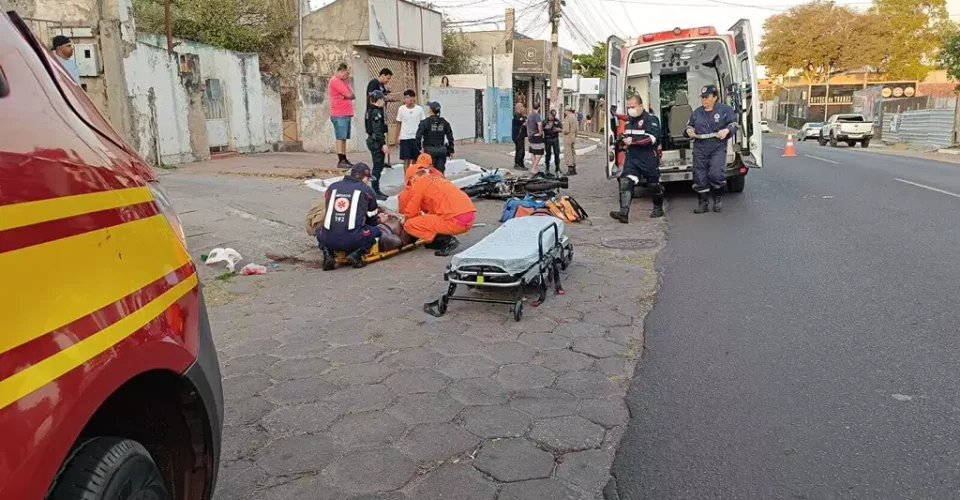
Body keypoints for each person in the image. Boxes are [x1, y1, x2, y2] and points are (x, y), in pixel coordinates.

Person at [317, 163, 382, 270]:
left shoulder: (332, 187)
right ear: (365, 178)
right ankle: (357, 254)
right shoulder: (367, 191)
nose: (369, 182)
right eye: (368, 179)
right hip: (354, 240)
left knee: (320, 229)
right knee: (376, 231)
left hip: (328, 238)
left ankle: (328, 253)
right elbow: (372, 220)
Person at [684, 84, 737, 214]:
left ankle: (717, 198)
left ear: (715, 97)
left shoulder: (725, 110)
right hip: (700, 147)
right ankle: (703, 203)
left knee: (716, 173)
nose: (704, 100)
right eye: (702, 97)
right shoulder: (696, 113)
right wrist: (689, 130)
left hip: (717, 146)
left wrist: (726, 130)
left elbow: (733, 124)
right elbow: (687, 127)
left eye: (706, 97)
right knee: (700, 176)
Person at [400, 166, 476, 257]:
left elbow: (411, 212)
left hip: (455, 221)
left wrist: (404, 222)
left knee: (409, 224)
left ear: (412, 178)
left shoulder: (419, 184)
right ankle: (437, 242)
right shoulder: (438, 179)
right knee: (430, 218)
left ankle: (446, 241)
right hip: (469, 218)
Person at [610, 95, 663, 223]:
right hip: (632, 157)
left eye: (632, 107)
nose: (630, 110)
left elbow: (651, 139)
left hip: (648, 157)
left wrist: (632, 141)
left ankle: (658, 207)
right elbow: (626, 131)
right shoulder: (629, 120)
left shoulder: (651, 119)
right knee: (625, 182)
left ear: (640, 106)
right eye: (628, 107)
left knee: (653, 184)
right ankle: (624, 213)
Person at [328, 63, 356, 169]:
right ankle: (340, 159)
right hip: (339, 113)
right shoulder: (335, 80)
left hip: (346, 113)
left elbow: (353, 95)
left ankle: (344, 157)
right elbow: (349, 95)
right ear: (341, 71)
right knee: (340, 137)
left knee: (344, 137)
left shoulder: (344, 81)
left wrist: (347, 95)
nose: (347, 76)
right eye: (346, 73)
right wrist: (347, 95)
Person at [415, 101, 455, 174]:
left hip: (429, 151)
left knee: (430, 173)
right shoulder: (444, 122)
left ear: (430, 110)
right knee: (440, 173)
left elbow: (418, 137)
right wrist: (451, 150)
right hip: (441, 151)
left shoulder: (425, 122)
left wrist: (420, 149)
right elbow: (450, 137)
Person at [365, 89, 390, 201]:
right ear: (379, 100)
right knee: (377, 167)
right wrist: (383, 144)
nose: (384, 102)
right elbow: (377, 130)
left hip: (373, 140)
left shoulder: (369, 110)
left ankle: (375, 190)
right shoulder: (376, 112)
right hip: (376, 142)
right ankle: (375, 191)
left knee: (377, 166)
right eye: (383, 99)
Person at [396, 89, 426, 170]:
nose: (406, 100)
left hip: (416, 138)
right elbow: (398, 123)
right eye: (405, 98)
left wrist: (423, 137)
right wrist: (397, 136)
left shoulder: (419, 109)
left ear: (413, 98)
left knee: (415, 161)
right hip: (405, 138)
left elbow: (423, 124)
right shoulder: (401, 109)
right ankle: (407, 180)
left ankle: (414, 179)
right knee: (406, 161)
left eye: (408, 97)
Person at [543, 109, 562, 175]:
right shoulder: (545, 121)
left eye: (553, 116)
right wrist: (547, 127)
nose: (552, 117)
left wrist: (557, 129)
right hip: (547, 139)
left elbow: (561, 129)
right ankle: (547, 168)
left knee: (557, 153)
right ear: (549, 114)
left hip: (555, 138)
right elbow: (541, 128)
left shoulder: (557, 121)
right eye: (551, 115)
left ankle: (557, 168)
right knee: (548, 154)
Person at [526, 103, 544, 174]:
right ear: (539, 108)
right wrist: (540, 132)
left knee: (533, 152)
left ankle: (534, 167)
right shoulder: (537, 115)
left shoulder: (530, 115)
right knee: (540, 152)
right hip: (536, 136)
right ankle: (533, 168)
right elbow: (539, 124)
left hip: (530, 135)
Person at [562, 107, 579, 176]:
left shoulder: (568, 117)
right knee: (573, 152)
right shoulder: (574, 117)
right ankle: (574, 167)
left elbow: (566, 130)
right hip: (573, 136)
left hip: (568, 137)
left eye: (565, 110)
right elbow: (577, 129)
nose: (564, 112)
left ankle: (570, 168)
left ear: (567, 111)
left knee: (568, 152)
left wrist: (561, 130)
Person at [512, 103, 527, 170]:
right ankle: (517, 164)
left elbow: (525, 119)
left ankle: (521, 164)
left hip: (521, 135)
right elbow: (524, 123)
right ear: (518, 108)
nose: (523, 108)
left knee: (522, 151)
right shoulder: (516, 115)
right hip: (517, 136)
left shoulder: (521, 115)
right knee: (520, 150)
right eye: (522, 107)